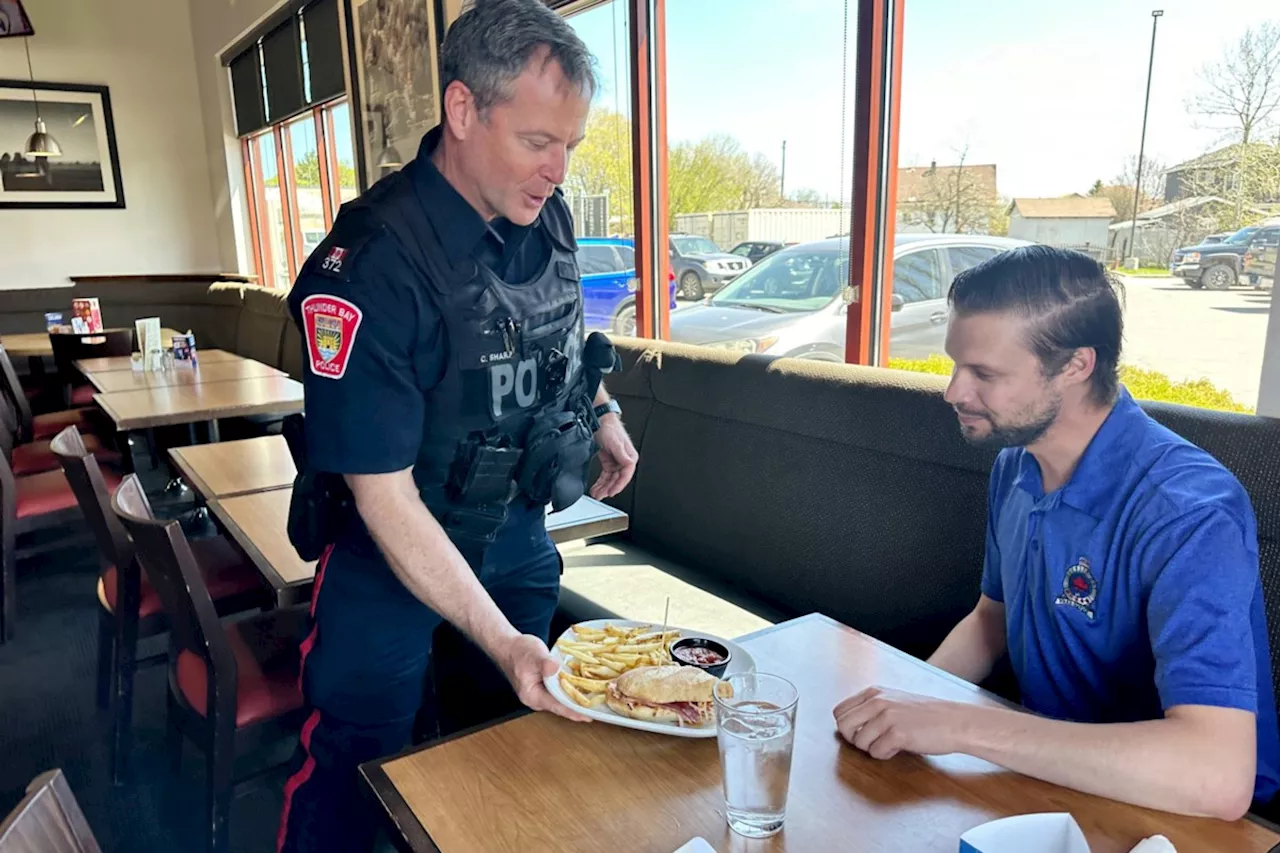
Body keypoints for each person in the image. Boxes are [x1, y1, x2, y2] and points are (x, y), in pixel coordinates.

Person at [275, 2, 639, 851]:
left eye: (570, 146)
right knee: (352, 777)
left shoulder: (542, 211)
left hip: (516, 535)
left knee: (507, 757)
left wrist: (604, 411)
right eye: (538, 141)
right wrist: (503, 638)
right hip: (390, 557)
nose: (557, 170)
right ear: (464, 109)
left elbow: (554, 340)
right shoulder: (372, 264)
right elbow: (383, 496)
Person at [832, 245, 1280, 820]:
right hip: (1042, 778)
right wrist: (908, 709)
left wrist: (963, 725)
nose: (953, 392)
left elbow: (1215, 776)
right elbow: (992, 619)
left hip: (1175, 815)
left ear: (1075, 365)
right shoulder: (1017, 464)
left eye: (984, 374)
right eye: (955, 365)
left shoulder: (1189, 511)